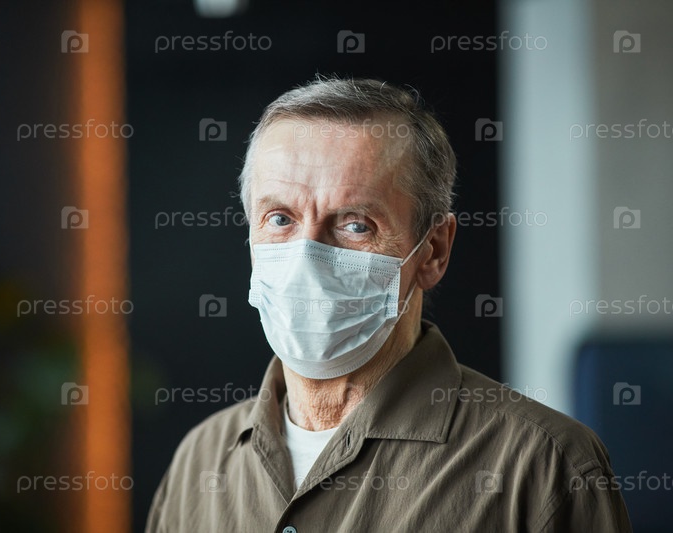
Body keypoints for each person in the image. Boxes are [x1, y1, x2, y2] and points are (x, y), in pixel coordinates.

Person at [146, 77, 632, 532]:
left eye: (355, 224)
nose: (305, 257)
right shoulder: (200, 462)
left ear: (434, 251)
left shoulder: (544, 467)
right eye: (279, 218)